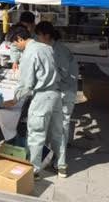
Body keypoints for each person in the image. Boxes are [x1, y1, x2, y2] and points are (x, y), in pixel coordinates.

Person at [3, 24, 63, 177]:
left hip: (42, 96)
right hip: (56, 94)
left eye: (15, 44)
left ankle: (34, 170)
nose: (16, 47)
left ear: (20, 39)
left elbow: (26, 84)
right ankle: (61, 165)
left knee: (36, 134)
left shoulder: (30, 53)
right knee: (57, 133)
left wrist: (14, 99)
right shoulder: (46, 47)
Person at [36, 21, 77, 176]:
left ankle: (60, 164)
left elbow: (62, 74)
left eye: (39, 36)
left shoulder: (58, 51)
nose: (38, 39)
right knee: (58, 128)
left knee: (60, 129)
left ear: (46, 36)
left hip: (64, 93)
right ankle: (55, 160)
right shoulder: (53, 48)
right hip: (61, 92)